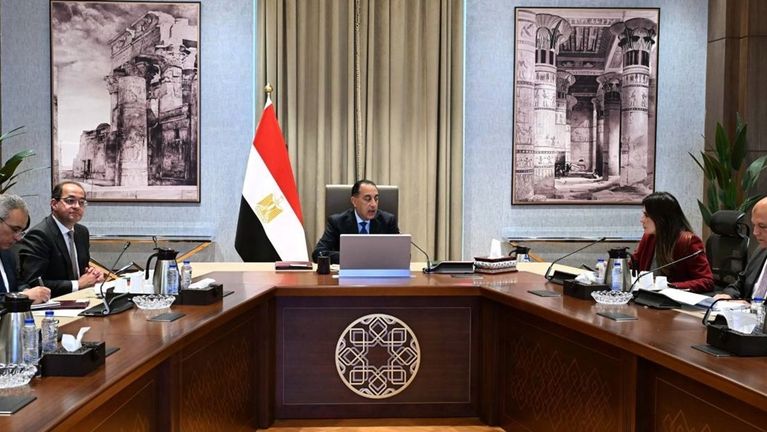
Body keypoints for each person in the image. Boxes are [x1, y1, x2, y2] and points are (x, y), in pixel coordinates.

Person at [18, 181, 104, 298]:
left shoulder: (82, 232)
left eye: (81, 202)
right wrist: (78, 284)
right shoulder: (40, 235)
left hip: (82, 298)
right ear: (54, 204)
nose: (77, 206)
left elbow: (83, 269)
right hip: (53, 303)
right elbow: (34, 282)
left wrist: (94, 275)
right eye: (70, 201)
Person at [632, 191, 714, 293]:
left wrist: (671, 286)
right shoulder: (648, 237)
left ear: (662, 218)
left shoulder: (689, 241)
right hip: (647, 296)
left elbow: (707, 281)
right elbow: (633, 265)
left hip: (674, 299)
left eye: (646, 215)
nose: (642, 220)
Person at [312, 180, 400, 264]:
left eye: (376, 199)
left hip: (378, 272)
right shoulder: (337, 222)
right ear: (354, 201)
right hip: (348, 273)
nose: (373, 204)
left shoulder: (388, 221)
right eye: (367, 199)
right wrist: (352, 257)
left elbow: (400, 253)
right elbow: (318, 253)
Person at [0, 194, 50, 303]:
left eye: (21, 232)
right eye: (15, 229)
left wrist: (26, 290)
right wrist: (21, 297)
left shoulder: (7, 253)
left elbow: (18, 283)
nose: (18, 238)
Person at [718, 197, 767, 299]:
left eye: (762, 226)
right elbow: (741, 282)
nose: (755, 232)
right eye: (754, 225)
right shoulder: (761, 250)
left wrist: (751, 306)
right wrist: (728, 295)